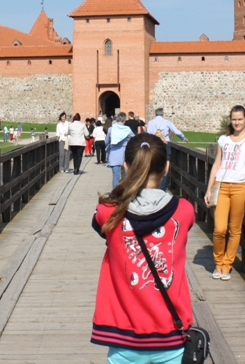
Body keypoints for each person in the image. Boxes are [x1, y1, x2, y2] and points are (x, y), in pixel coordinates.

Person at [91, 133, 195, 363]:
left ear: (126, 166)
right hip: (171, 333)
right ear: (166, 167)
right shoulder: (184, 211)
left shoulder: (109, 212)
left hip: (123, 334)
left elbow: (99, 220)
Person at [204, 105, 245, 280]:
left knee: (235, 229)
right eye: (234, 119)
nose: (237, 122)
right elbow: (216, 165)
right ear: (231, 120)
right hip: (221, 186)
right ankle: (218, 262)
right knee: (220, 229)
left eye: (240, 119)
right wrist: (209, 189)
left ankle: (227, 265)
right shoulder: (223, 140)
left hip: (239, 187)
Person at [146, 108, 187, 191]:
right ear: (163, 114)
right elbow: (176, 131)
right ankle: (163, 188)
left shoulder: (150, 122)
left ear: (155, 114)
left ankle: (153, 185)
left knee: (154, 165)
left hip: (154, 145)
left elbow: (148, 135)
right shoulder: (166, 122)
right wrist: (183, 138)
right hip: (165, 144)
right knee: (166, 165)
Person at [105, 112, 134, 188]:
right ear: (124, 119)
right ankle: (124, 192)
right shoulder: (127, 129)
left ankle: (115, 193)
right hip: (125, 154)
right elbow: (134, 138)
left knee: (115, 175)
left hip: (114, 153)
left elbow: (106, 141)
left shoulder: (111, 129)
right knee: (125, 174)